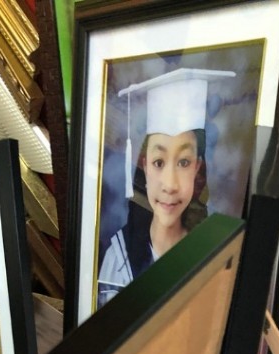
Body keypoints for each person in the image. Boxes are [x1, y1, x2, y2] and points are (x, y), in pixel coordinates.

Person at [97, 67, 234, 310]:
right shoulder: (119, 260)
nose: (170, 185)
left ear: (197, 168)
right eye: (159, 163)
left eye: (184, 163)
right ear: (144, 166)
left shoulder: (213, 254)